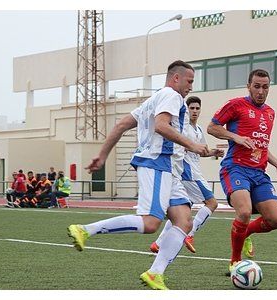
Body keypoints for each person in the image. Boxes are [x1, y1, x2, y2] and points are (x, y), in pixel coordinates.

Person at [67, 60, 209, 290]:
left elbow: (121, 125)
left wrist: (102, 156)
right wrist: (192, 145)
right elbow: (161, 126)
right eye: (189, 81)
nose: (191, 86)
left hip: (168, 168)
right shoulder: (172, 96)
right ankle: (86, 230)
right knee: (151, 223)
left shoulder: (153, 100)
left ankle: (155, 274)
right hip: (156, 163)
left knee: (184, 221)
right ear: (176, 78)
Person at [207, 69, 277, 273]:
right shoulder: (236, 105)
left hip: (259, 173)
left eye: (265, 87)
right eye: (256, 86)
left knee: (276, 219)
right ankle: (235, 262)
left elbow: (262, 147)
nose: (261, 91)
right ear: (248, 86)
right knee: (245, 211)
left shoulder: (270, 113)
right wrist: (234, 137)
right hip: (236, 169)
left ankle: (245, 232)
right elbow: (212, 127)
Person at [150, 96, 224, 254]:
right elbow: (181, 146)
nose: (195, 111)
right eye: (192, 108)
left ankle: (158, 242)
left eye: (197, 108)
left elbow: (200, 150)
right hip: (188, 171)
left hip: (193, 170)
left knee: (183, 208)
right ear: (187, 110)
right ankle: (189, 234)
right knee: (212, 203)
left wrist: (213, 152)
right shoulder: (183, 128)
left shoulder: (198, 130)